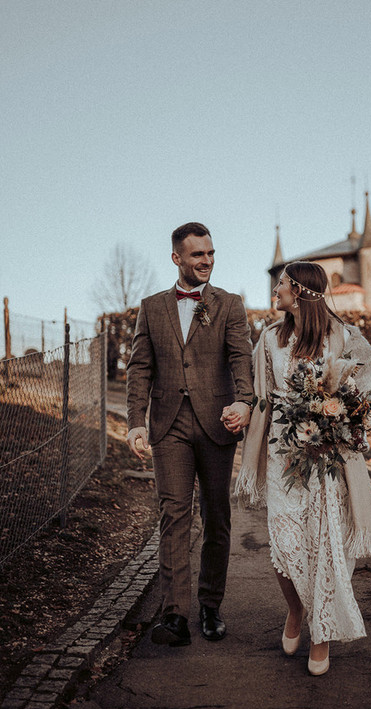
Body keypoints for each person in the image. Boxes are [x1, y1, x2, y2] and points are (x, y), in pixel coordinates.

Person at [235, 261, 371, 675]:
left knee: (325, 543)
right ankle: (295, 610)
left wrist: (347, 409)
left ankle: (321, 633)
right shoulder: (269, 338)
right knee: (285, 543)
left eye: (283, 283)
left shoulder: (341, 334)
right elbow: (261, 393)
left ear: (302, 291)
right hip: (281, 452)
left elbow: (368, 367)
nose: (276, 289)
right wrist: (243, 416)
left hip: (327, 456)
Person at [126, 223, 254, 647]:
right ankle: (175, 614)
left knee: (216, 516)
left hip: (218, 423)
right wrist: (136, 421)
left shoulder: (230, 305)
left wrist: (245, 402)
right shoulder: (152, 306)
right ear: (177, 258)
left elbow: (241, 358)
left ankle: (210, 605)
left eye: (211, 253)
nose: (207, 261)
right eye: (198, 254)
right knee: (174, 517)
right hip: (168, 426)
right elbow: (140, 367)